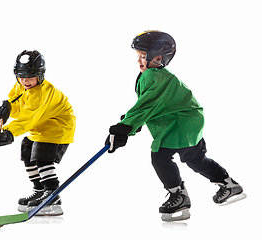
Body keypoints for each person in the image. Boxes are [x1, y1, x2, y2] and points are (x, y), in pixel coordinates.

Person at [105, 31, 246, 221]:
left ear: (158, 58)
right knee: (195, 159)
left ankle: (178, 195)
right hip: (188, 121)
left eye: (143, 56)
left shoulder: (155, 76)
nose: (138, 60)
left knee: (160, 157)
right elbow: (149, 106)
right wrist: (130, 124)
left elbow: (147, 105)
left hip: (180, 123)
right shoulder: (154, 75)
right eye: (137, 55)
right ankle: (228, 185)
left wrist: (124, 128)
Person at [0, 50, 76, 216]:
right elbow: (18, 104)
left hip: (58, 127)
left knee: (42, 156)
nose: (25, 81)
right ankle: (39, 190)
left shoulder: (42, 93)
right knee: (27, 151)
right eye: (20, 76)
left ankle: (52, 195)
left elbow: (27, 119)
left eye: (30, 76)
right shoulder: (21, 86)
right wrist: (7, 109)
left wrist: (7, 133)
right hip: (40, 126)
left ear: (41, 75)